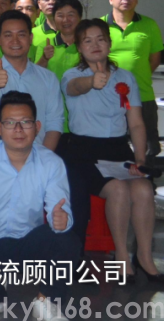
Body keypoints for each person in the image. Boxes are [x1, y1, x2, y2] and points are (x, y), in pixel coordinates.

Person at [0, 91, 80, 320]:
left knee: (68, 240)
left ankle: (46, 301)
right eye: (9, 123)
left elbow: (60, 208)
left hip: (27, 242)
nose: (18, 129)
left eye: (25, 122)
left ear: (37, 127)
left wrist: (62, 219)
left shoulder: (51, 162)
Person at [58, 18, 162, 280]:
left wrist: (139, 159)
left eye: (100, 39)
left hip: (118, 149)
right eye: (87, 41)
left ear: (109, 43)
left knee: (143, 188)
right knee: (117, 189)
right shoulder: (73, 75)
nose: (95, 45)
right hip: (84, 151)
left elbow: (135, 123)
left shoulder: (125, 77)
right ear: (79, 47)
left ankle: (144, 257)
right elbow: (74, 88)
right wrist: (92, 81)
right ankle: (121, 256)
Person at [0, 11, 63, 148]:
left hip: (37, 152)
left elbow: (55, 122)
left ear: (30, 38)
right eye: (8, 35)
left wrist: (44, 156)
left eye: (21, 35)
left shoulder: (48, 78)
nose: (15, 41)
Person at [103, 0, 163, 158]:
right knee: (112, 145)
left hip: (143, 95)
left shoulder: (149, 25)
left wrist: (136, 77)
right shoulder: (100, 25)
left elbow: (155, 59)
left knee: (147, 146)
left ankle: (145, 174)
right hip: (108, 97)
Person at [32, 0, 82, 82]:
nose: (65, 20)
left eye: (70, 15)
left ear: (80, 17)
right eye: (60, 15)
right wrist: (44, 58)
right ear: (54, 18)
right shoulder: (45, 45)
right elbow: (35, 76)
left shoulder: (87, 44)